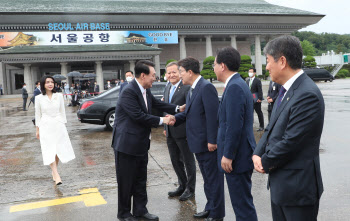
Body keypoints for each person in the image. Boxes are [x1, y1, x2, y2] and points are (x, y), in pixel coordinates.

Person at [252, 35, 324, 221]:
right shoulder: (286, 89)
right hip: (281, 185)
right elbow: (271, 127)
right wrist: (257, 153)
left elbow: (292, 141)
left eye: (268, 61)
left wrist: (264, 162)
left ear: (282, 61)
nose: (266, 67)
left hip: (297, 190)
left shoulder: (307, 94)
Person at [111, 60, 185, 221]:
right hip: (126, 145)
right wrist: (163, 120)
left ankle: (140, 210)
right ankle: (124, 214)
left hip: (141, 143)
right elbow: (138, 116)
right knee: (126, 181)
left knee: (140, 179)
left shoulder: (145, 90)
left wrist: (177, 109)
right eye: (153, 75)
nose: (155, 78)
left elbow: (157, 103)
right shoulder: (129, 91)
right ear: (143, 75)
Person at [170, 57, 225, 221]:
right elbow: (188, 113)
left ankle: (217, 214)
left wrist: (212, 141)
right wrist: (173, 118)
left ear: (190, 72)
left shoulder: (206, 87)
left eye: (180, 72)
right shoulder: (193, 88)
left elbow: (212, 116)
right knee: (208, 179)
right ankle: (210, 208)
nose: (180, 75)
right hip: (197, 143)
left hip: (207, 144)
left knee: (213, 180)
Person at [213, 47, 258, 221]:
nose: (214, 67)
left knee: (242, 206)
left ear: (223, 66)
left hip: (238, 157)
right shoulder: (236, 84)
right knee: (242, 203)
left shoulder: (235, 87)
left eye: (215, 64)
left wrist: (228, 155)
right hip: (239, 155)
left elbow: (234, 125)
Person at [163, 62, 196, 201]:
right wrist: (165, 128)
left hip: (183, 132)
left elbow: (190, 111)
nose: (171, 75)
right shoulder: (167, 87)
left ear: (180, 73)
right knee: (175, 160)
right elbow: (165, 108)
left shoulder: (187, 88)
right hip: (170, 132)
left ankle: (190, 188)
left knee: (188, 161)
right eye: (169, 73)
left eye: (174, 72)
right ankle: (182, 185)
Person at [35, 75, 75, 185]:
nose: (50, 84)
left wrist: (63, 125)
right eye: (47, 82)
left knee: (58, 150)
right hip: (45, 126)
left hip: (58, 125)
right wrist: (37, 130)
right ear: (43, 84)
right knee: (49, 150)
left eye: (51, 82)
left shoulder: (59, 96)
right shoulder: (38, 98)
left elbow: (62, 112)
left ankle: (54, 171)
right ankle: (56, 175)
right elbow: (38, 115)